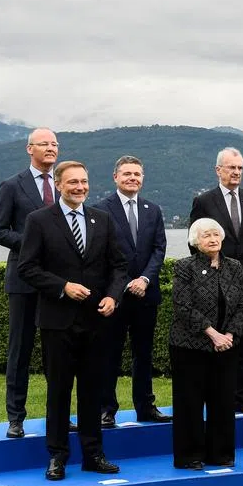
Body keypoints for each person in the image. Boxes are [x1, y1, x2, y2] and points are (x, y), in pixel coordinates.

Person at [17, 161, 128, 480]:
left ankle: (94, 454)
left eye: (84, 181)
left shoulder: (102, 220)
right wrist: (62, 287)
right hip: (57, 321)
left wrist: (113, 296)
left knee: (93, 392)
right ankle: (57, 456)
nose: (80, 187)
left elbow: (118, 267)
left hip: (96, 321)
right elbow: (27, 268)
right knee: (59, 393)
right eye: (74, 182)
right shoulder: (38, 221)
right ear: (59, 184)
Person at [0, 127, 59, 439]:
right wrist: (35, 244)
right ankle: (15, 418)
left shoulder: (64, 185)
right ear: (29, 149)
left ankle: (56, 417)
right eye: (44, 143)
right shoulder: (11, 186)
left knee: (57, 353)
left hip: (58, 283)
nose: (50, 148)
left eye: (55, 143)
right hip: (23, 280)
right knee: (20, 351)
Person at [96, 155, 171, 427]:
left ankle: (145, 407)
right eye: (127, 173)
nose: (132, 178)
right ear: (115, 177)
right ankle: (106, 409)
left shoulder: (153, 209)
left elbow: (158, 249)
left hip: (146, 296)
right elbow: (101, 254)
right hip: (114, 297)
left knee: (144, 354)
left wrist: (145, 280)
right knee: (110, 354)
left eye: (137, 174)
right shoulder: (100, 210)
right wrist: (127, 282)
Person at [168, 218, 243, 469]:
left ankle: (221, 454)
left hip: (226, 346)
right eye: (206, 236)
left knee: (223, 401)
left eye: (216, 234)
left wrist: (230, 336)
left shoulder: (234, 267)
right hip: (190, 345)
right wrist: (213, 334)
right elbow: (183, 305)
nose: (212, 239)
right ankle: (189, 456)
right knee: (189, 402)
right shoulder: (184, 267)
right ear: (195, 241)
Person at [189, 147, 243, 415]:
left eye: (240, 168)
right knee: (217, 337)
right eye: (231, 167)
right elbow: (195, 243)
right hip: (214, 280)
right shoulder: (204, 201)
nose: (236, 172)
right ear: (218, 170)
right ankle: (217, 395)